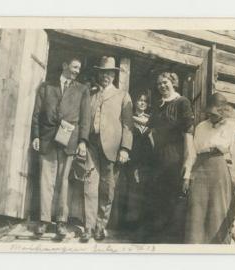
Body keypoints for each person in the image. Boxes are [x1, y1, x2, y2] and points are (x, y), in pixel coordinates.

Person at [31, 56, 91, 237]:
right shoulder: (47, 87)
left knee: (64, 182)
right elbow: (36, 115)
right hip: (48, 139)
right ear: (64, 65)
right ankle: (43, 220)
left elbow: (85, 119)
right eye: (74, 66)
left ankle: (61, 222)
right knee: (46, 180)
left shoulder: (83, 90)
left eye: (79, 68)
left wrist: (82, 141)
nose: (77, 71)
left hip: (69, 140)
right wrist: (36, 136)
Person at [79, 56, 133, 242]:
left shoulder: (122, 95)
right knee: (89, 186)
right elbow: (84, 119)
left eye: (109, 73)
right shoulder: (91, 93)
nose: (105, 76)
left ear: (114, 75)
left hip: (112, 148)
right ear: (99, 74)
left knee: (107, 189)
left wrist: (125, 148)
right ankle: (88, 227)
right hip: (92, 146)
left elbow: (127, 125)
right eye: (102, 73)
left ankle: (100, 226)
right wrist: (82, 142)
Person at [185, 92, 235, 244]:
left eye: (215, 113)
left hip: (218, 171)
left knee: (217, 210)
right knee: (197, 210)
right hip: (199, 170)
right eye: (210, 113)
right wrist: (187, 175)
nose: (212, 116)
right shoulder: (201, 127)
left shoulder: (230, 127)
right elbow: (192, 153)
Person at [146, 72, 195, 243]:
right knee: (158, 199)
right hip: (157, 158)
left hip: (175, 157)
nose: (162, 86)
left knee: (172, 200)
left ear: (173, 82)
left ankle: (171, 243)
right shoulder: (158, 105)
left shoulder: (183, 102)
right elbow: (150, 130)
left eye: (165, 82)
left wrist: (187, 164)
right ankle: (158, 240)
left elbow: (188, 134)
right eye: (159, 84)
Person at [122, 92, 154, 232]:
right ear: (135, 102)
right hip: (132, 158)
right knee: (131, 189)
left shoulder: (150, 120)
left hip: (146, 160)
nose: (142, 103)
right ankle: (129, 223)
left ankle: (142, 223)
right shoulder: (129, 118)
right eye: (139, 100)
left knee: (144, 190)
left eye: (145, 101)